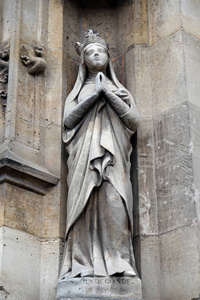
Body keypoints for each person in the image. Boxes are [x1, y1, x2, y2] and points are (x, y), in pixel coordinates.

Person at [60, 30, 140, 279]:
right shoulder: (78, 92)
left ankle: (119, 261)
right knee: (83, 207)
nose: (96, 55)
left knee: (115, 203)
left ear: (108, 56)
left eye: (101, 51)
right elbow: (68, 121)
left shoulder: (121, 91)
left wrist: (109, 94)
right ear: (83, 59)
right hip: (84, 157)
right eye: (90, 52)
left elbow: (134, 121)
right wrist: (95, 94)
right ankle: (82, 263)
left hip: (114, 157)